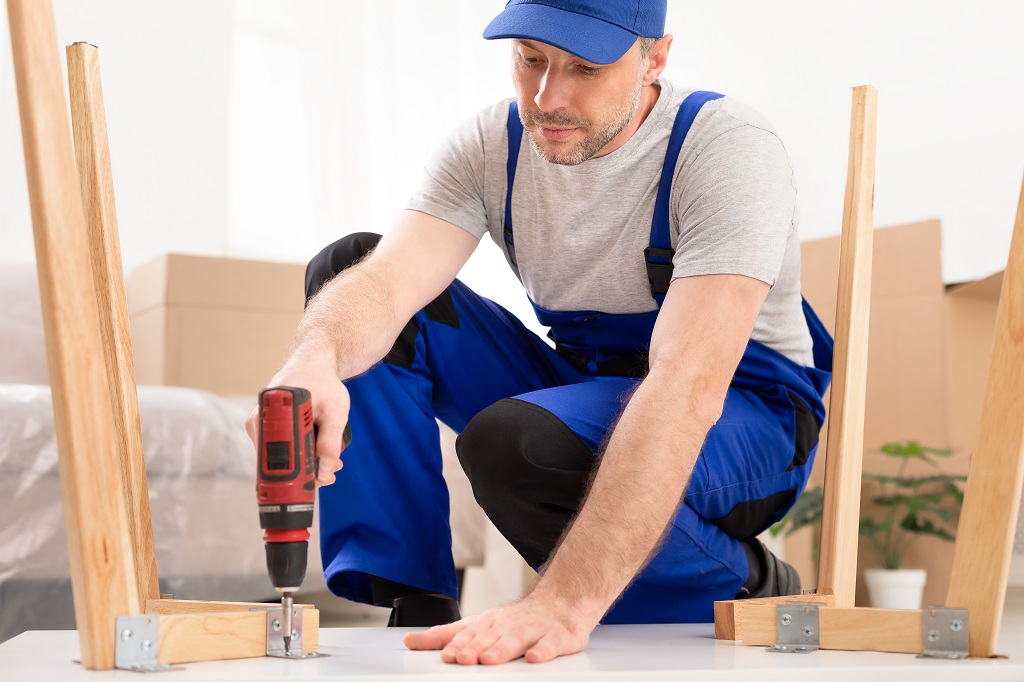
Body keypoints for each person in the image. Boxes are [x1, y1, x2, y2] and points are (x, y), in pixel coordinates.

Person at [246, 0, 833, 666]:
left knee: (516, 448)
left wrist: (563, 603)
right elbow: (386, 285)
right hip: (592, 386)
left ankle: (744, 586)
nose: (548, 95)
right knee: (347, 269)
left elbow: (686, 385)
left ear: (654, 59)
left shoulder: (725, 148)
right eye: (530, 59)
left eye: (584, 67)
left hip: (743, 411)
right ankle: (417, 601)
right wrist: (311, 358)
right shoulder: (493, 146)